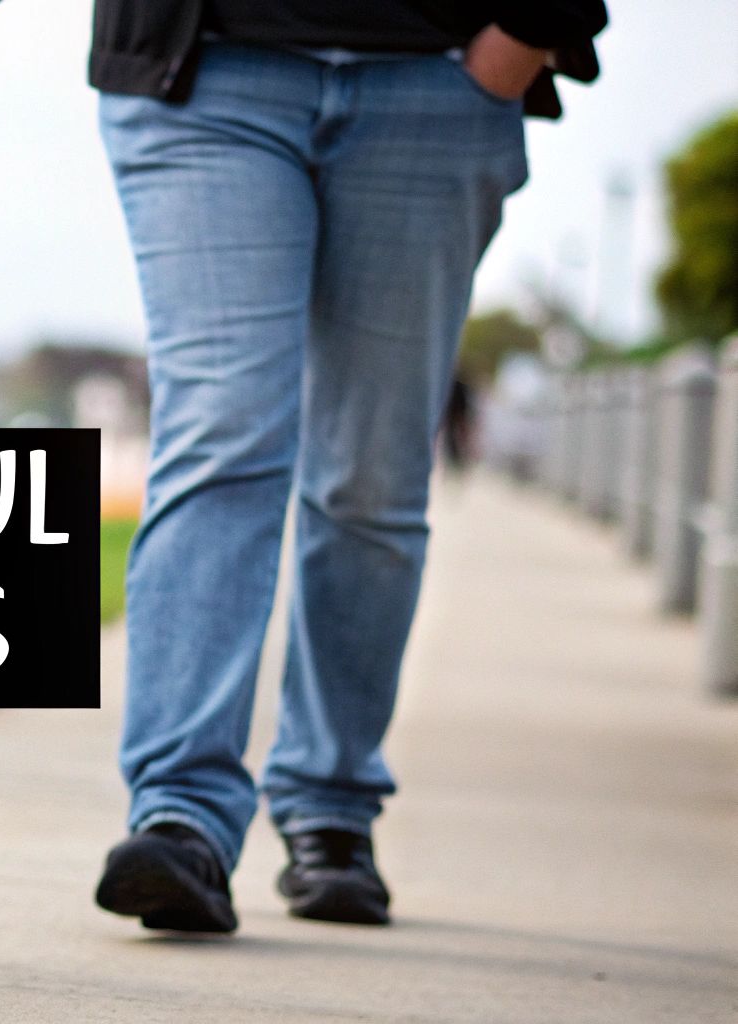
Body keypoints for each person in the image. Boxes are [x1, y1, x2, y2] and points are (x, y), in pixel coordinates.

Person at [88, 1, 607, 932]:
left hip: (437, 74)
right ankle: (182, 816)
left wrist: (523, 37)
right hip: (205, 71)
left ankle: (331, 804)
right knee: (222, 435)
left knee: (371, 478)